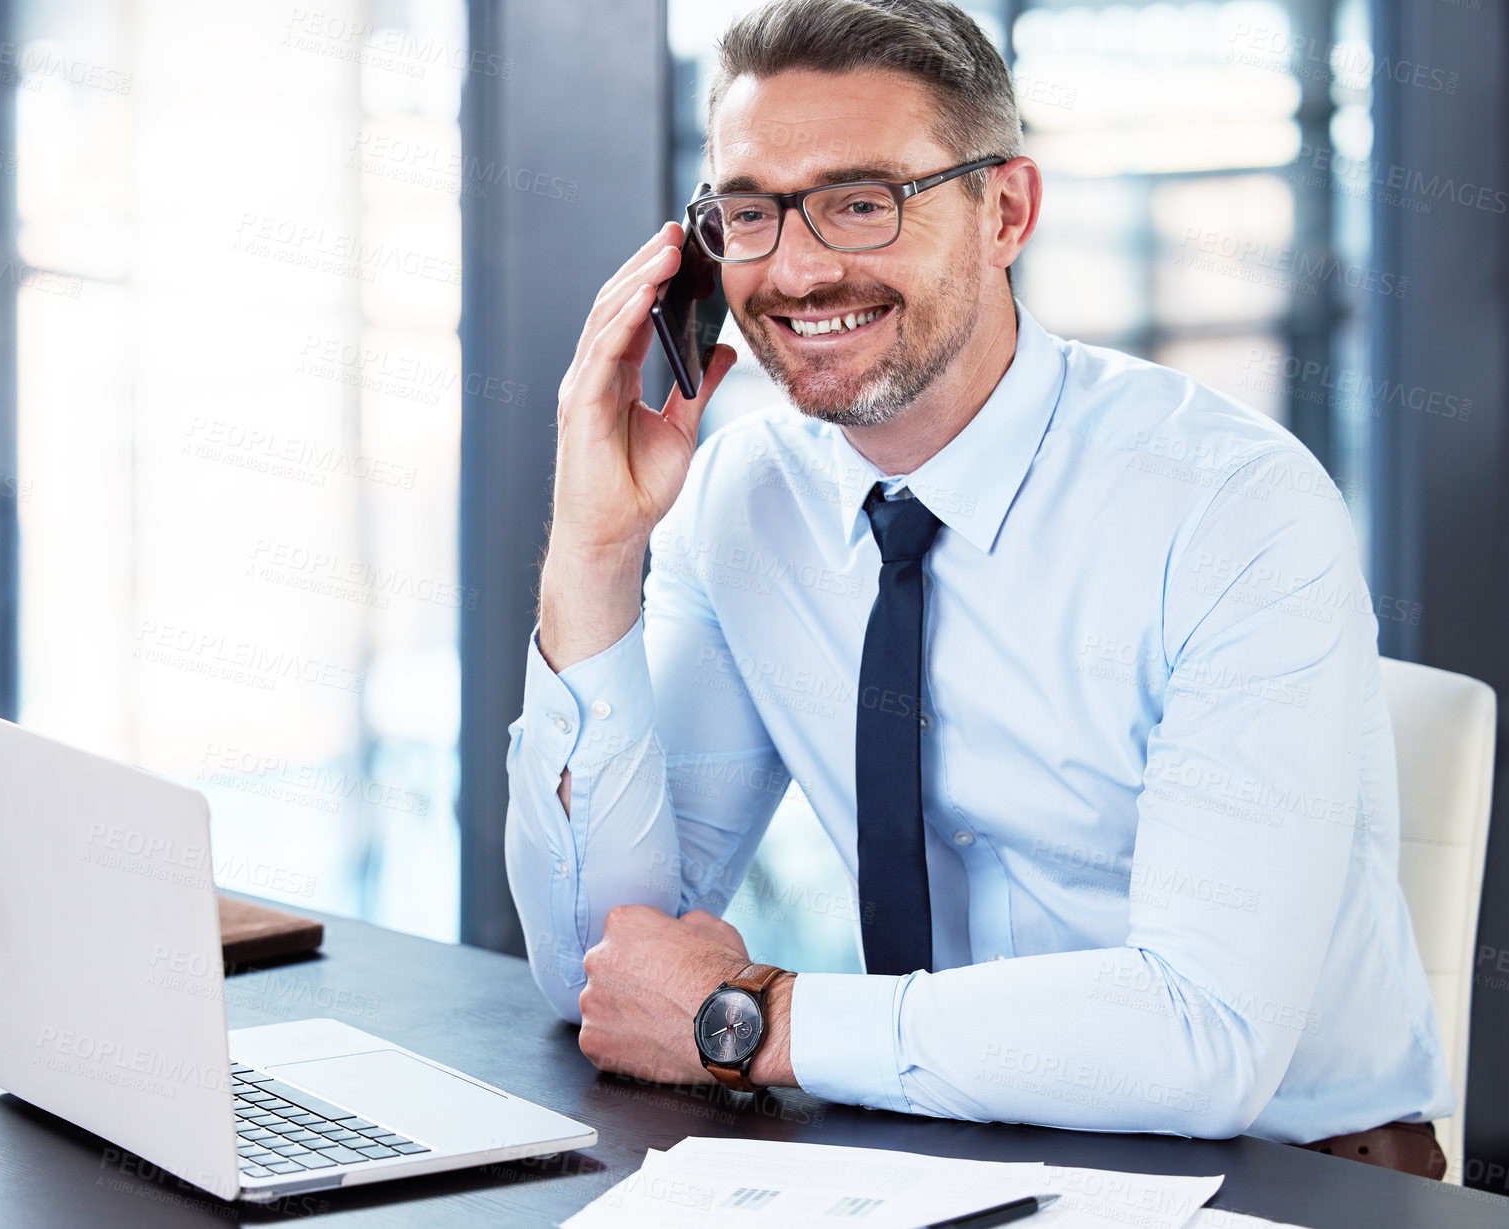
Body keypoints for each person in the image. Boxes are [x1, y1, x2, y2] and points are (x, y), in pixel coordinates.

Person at [503, 0, 1452, 1179]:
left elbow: (1202, 1035)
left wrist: (751, 1020)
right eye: (748, 213)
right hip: (937, 1158)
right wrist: (591, 555)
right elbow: (606, 968)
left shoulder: (1231, 506)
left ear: (1004, 210)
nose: (796, 269)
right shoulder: (745, 497)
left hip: (1283, 1177)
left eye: (860, 202)